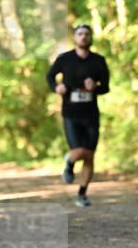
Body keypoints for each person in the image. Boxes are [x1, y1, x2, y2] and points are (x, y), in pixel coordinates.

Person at [46, 24, 110, 207]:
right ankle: (69, 161)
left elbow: (105, 87)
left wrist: (95, 88)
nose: (83, 37)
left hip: (90, 114)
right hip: (71, 114)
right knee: (79, 151)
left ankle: (82, 194)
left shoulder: (98, 60)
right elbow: (50, 77)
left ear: (91, 38)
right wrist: (56, 87)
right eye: (80, 34)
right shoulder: (64, 59)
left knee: (90, 156)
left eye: (87, 34)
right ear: (74, 38)